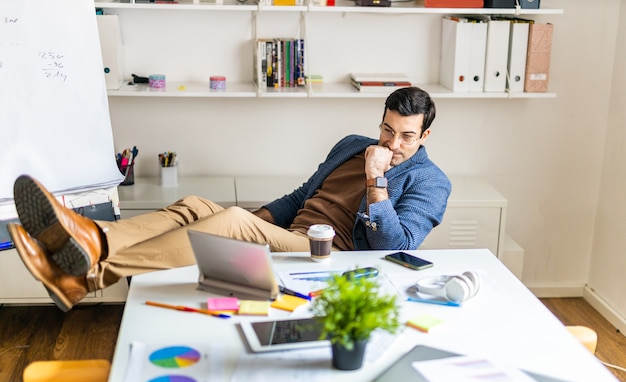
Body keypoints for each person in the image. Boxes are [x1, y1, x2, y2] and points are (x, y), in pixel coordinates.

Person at [8, 86, 451, 312]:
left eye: (406, 136)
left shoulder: (430, 181)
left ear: (425, 135)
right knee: (199, 205)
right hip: (290, 233)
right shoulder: (353, 144)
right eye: (387, 130)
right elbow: (301, 194)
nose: (392, 143)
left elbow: (396, 246)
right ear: (380, 121)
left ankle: (89, 270)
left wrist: (378, 180)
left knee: (232, 219)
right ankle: (95, 241)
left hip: (333, 255)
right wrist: (253, 223)